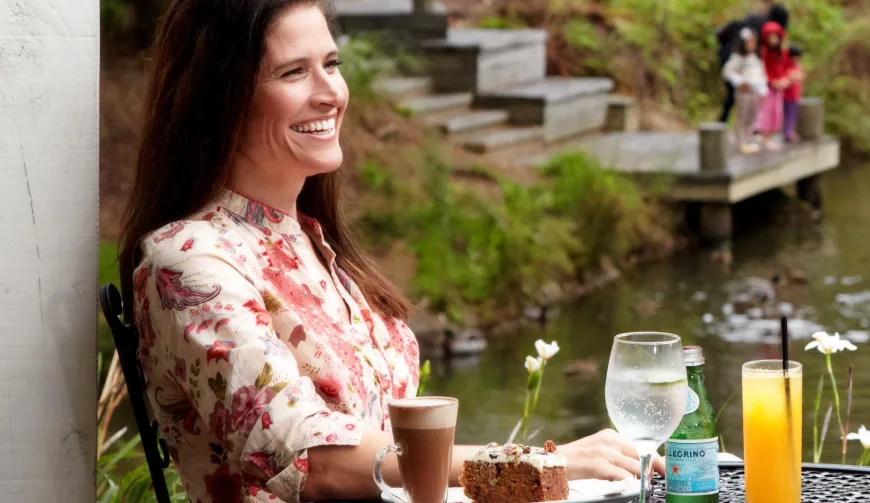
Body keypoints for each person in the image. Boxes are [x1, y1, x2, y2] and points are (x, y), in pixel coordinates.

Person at [117, 1, 659, 501]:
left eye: (332, 63)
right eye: (293, 71)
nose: (330, 91)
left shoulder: (310, 242)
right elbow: (310, 458)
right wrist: (533, 465)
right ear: (221, 98)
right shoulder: (189, 262)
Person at [716, 3, 789, 123]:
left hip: (728, 55)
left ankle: (724, 122)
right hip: (740, 60)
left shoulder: (755, 19)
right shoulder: (766, 26)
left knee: (734, 95)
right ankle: (733, 125)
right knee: (741, 96)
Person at [723, 27, 769, 154]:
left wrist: (763, 89)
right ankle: (740, 140)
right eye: (749, 42)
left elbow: (761, 75)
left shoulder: (756, 58)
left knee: (752, 116)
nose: (752, 44)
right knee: (742, 116)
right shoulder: (738, 57)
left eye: (754, 42)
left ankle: (749, 139)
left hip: (755, 91)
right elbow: (728, 72)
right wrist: (740, 82)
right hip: (744, 92)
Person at [753, 21, 792, 150]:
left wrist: (785, 80)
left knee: (776, 112)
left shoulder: (781, 53)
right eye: (770, 37)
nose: (773, 40)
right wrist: (772, 82)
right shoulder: (763, 53)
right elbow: (762, 71)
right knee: (765, 112)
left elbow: (785, 68)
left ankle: (769, 136)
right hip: (766, 88)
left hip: (778, 88)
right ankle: (764, 137)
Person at [782, 46, 806, 143]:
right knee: (787, 114)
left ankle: (790, 131)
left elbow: (801, 77)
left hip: (795, 95)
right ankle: (788, 133)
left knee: (792, 115)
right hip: (787, 96)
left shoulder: (797, 66)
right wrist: (795, 77)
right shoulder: (785, 65)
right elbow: (790, 77)